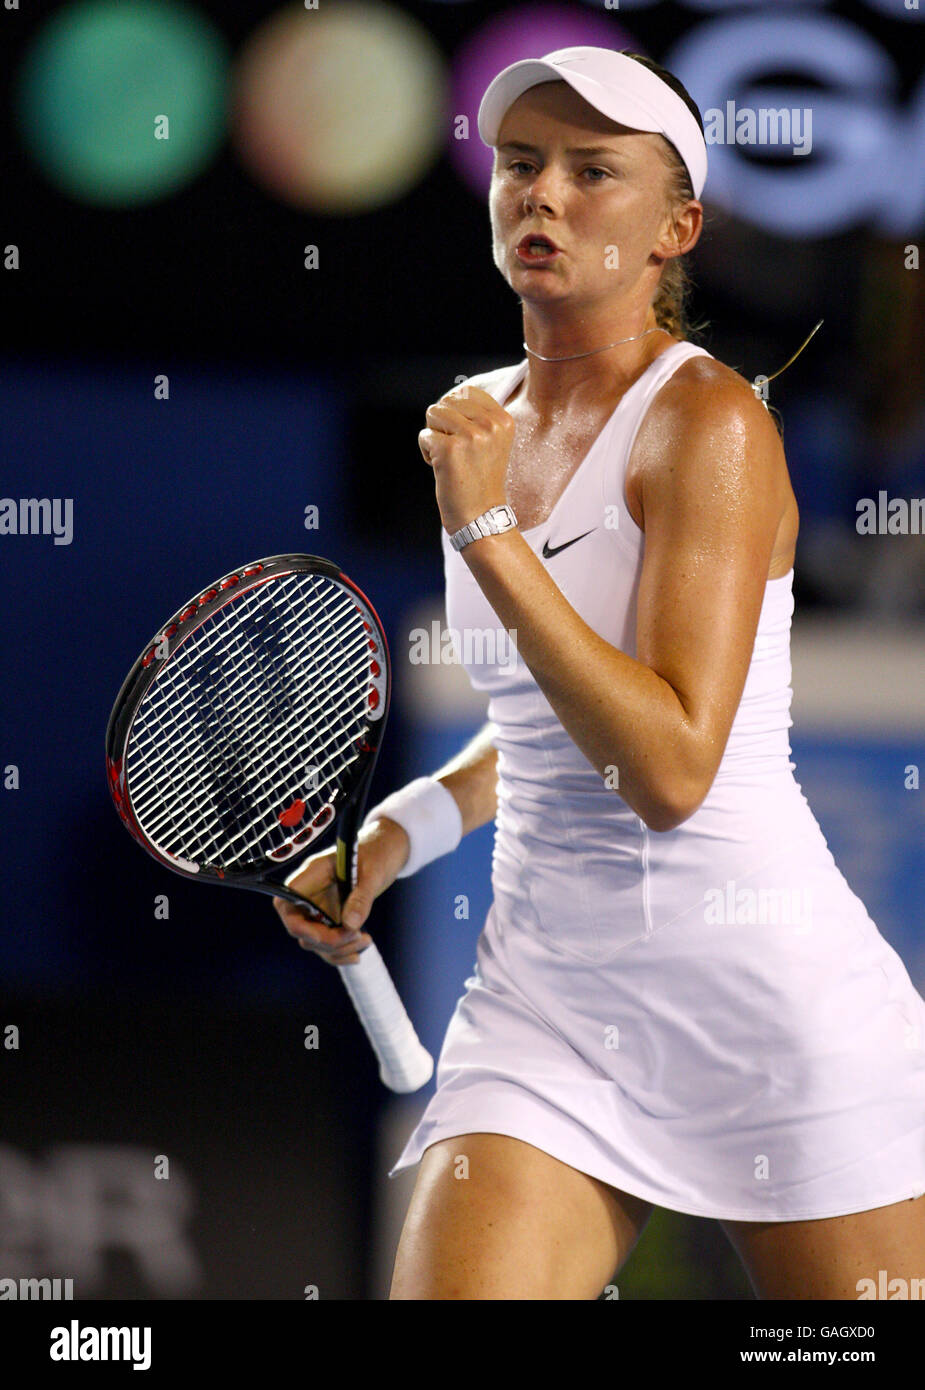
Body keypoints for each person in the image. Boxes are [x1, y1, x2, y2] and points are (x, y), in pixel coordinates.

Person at [274, 47, 925, 1301]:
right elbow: (538, 719)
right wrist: (403, 829)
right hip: (548, 1002)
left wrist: (486, 535)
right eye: (520, 165)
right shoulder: (479, 414)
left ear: (675, 226)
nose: (544, 196)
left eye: (592, 172)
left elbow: (670, 766)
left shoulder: (709, 423)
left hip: (767, 1007)